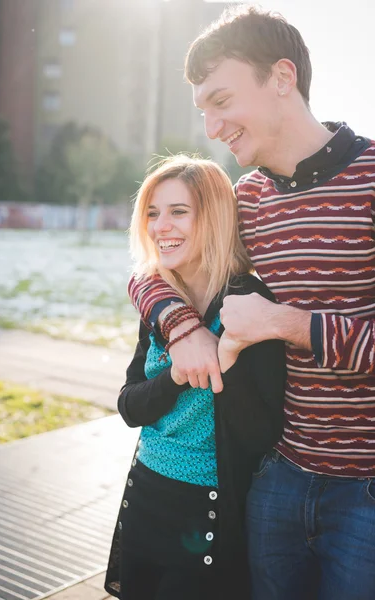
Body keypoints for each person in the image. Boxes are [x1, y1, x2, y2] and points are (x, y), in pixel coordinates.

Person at [126, 5, 375, 600]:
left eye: (221, 100)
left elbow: (280, 324)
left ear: (282, 78)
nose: (212, 128)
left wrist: (287, 325)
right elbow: (155, 265)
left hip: (365, 490)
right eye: (203, 110)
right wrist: (182, 326)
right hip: (274, 476)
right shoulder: (249, 198)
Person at [104, 155, 285, 600]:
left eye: (178, 212)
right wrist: (178, 374)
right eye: (152, 213)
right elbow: (130, 406)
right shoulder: (163, 303)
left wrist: (226, 355)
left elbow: (262, 433)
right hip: (145, 495)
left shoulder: (247, 302)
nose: (160, 226)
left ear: (215, 218)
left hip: (207, 511)